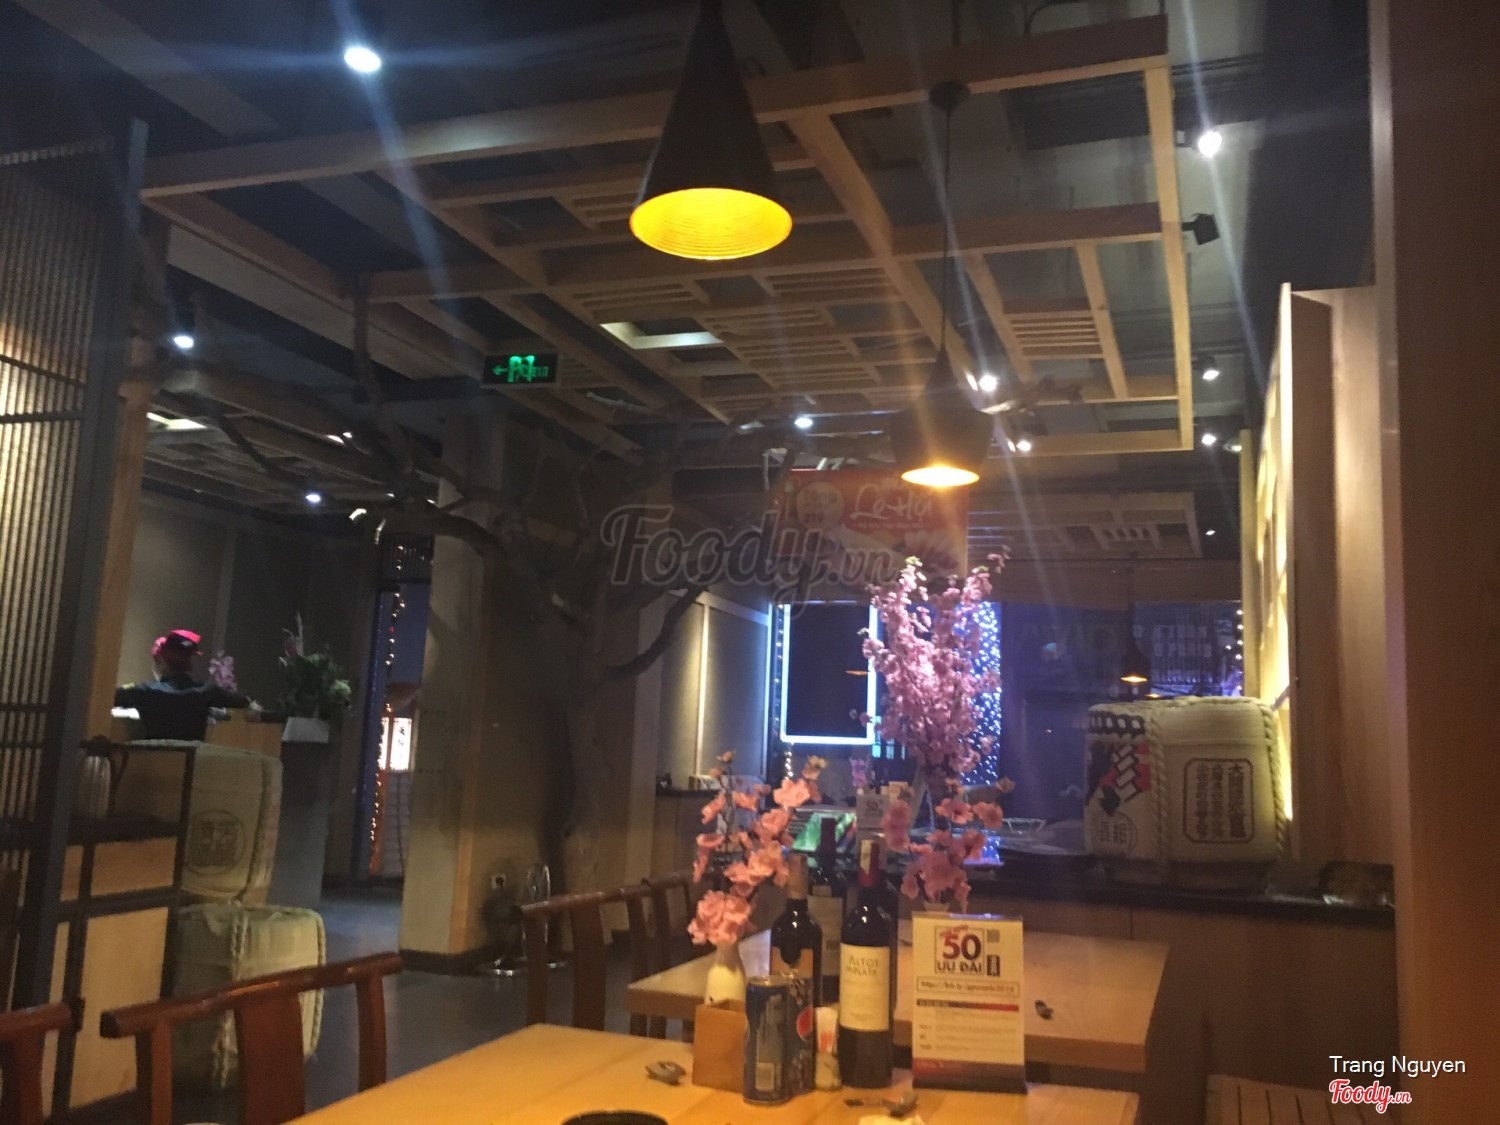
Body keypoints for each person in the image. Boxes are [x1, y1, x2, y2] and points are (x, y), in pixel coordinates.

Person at [115, 629, 249, 740]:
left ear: (160, 660)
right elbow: (242, 701)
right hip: (191, 760)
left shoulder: (143, 691)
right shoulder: (207, 691)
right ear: (189, 663)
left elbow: (110, 697)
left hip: (154, 759)